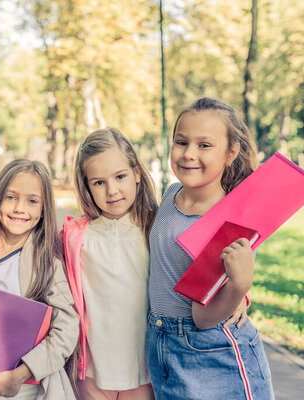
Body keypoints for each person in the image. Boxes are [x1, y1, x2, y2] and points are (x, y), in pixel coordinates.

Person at [147, 97, 274, 399]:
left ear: (231, 153)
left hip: (212, 353)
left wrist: (239, 287)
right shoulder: (171, 193)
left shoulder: (228, 225)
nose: (189, 154)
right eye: (181, 142)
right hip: (162, 345)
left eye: (205, 145)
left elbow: (204, 317)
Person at [0, 159, 79, 400]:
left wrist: (21, 374)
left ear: (44, 209)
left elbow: (67, 329)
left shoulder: (47, 265)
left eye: (32, 201)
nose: (19, 208)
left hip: (26, 389)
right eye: (11, 197)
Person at [61, 128, 157, 399]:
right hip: (91, 374)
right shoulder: (74, 237)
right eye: (99, 182)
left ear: (137, 173)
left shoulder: (157, 229)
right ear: (86, 186)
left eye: (120, 176)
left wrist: (238, 296)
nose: (112, 190)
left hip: (145, 372)